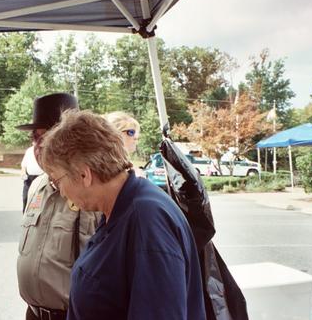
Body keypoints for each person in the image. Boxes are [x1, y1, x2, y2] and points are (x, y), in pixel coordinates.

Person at [39, 110, 205, 320]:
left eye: (57, 180)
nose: (61, 192)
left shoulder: (147, 220)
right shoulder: (116, 210)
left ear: (84, 174)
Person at [16, 93, 102, 320]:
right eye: (35, 138)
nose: (39, 145)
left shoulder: (93, 191)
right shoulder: (36, 187)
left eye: (49, 136)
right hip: (33, 314)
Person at [104, 111, 145, 177]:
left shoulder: (125, 166)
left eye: (136, 133)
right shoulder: (108, 168)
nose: (136, 137)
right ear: (114, 134)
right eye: (131, 132)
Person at [20, 143, 43, 213]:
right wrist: (23, 173)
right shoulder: (29, 151)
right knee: (25, 197)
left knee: (39, 199)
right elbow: (24, 165)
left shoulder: (45, 150)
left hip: (41, 178)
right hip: (29, 178)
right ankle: (25, 215)